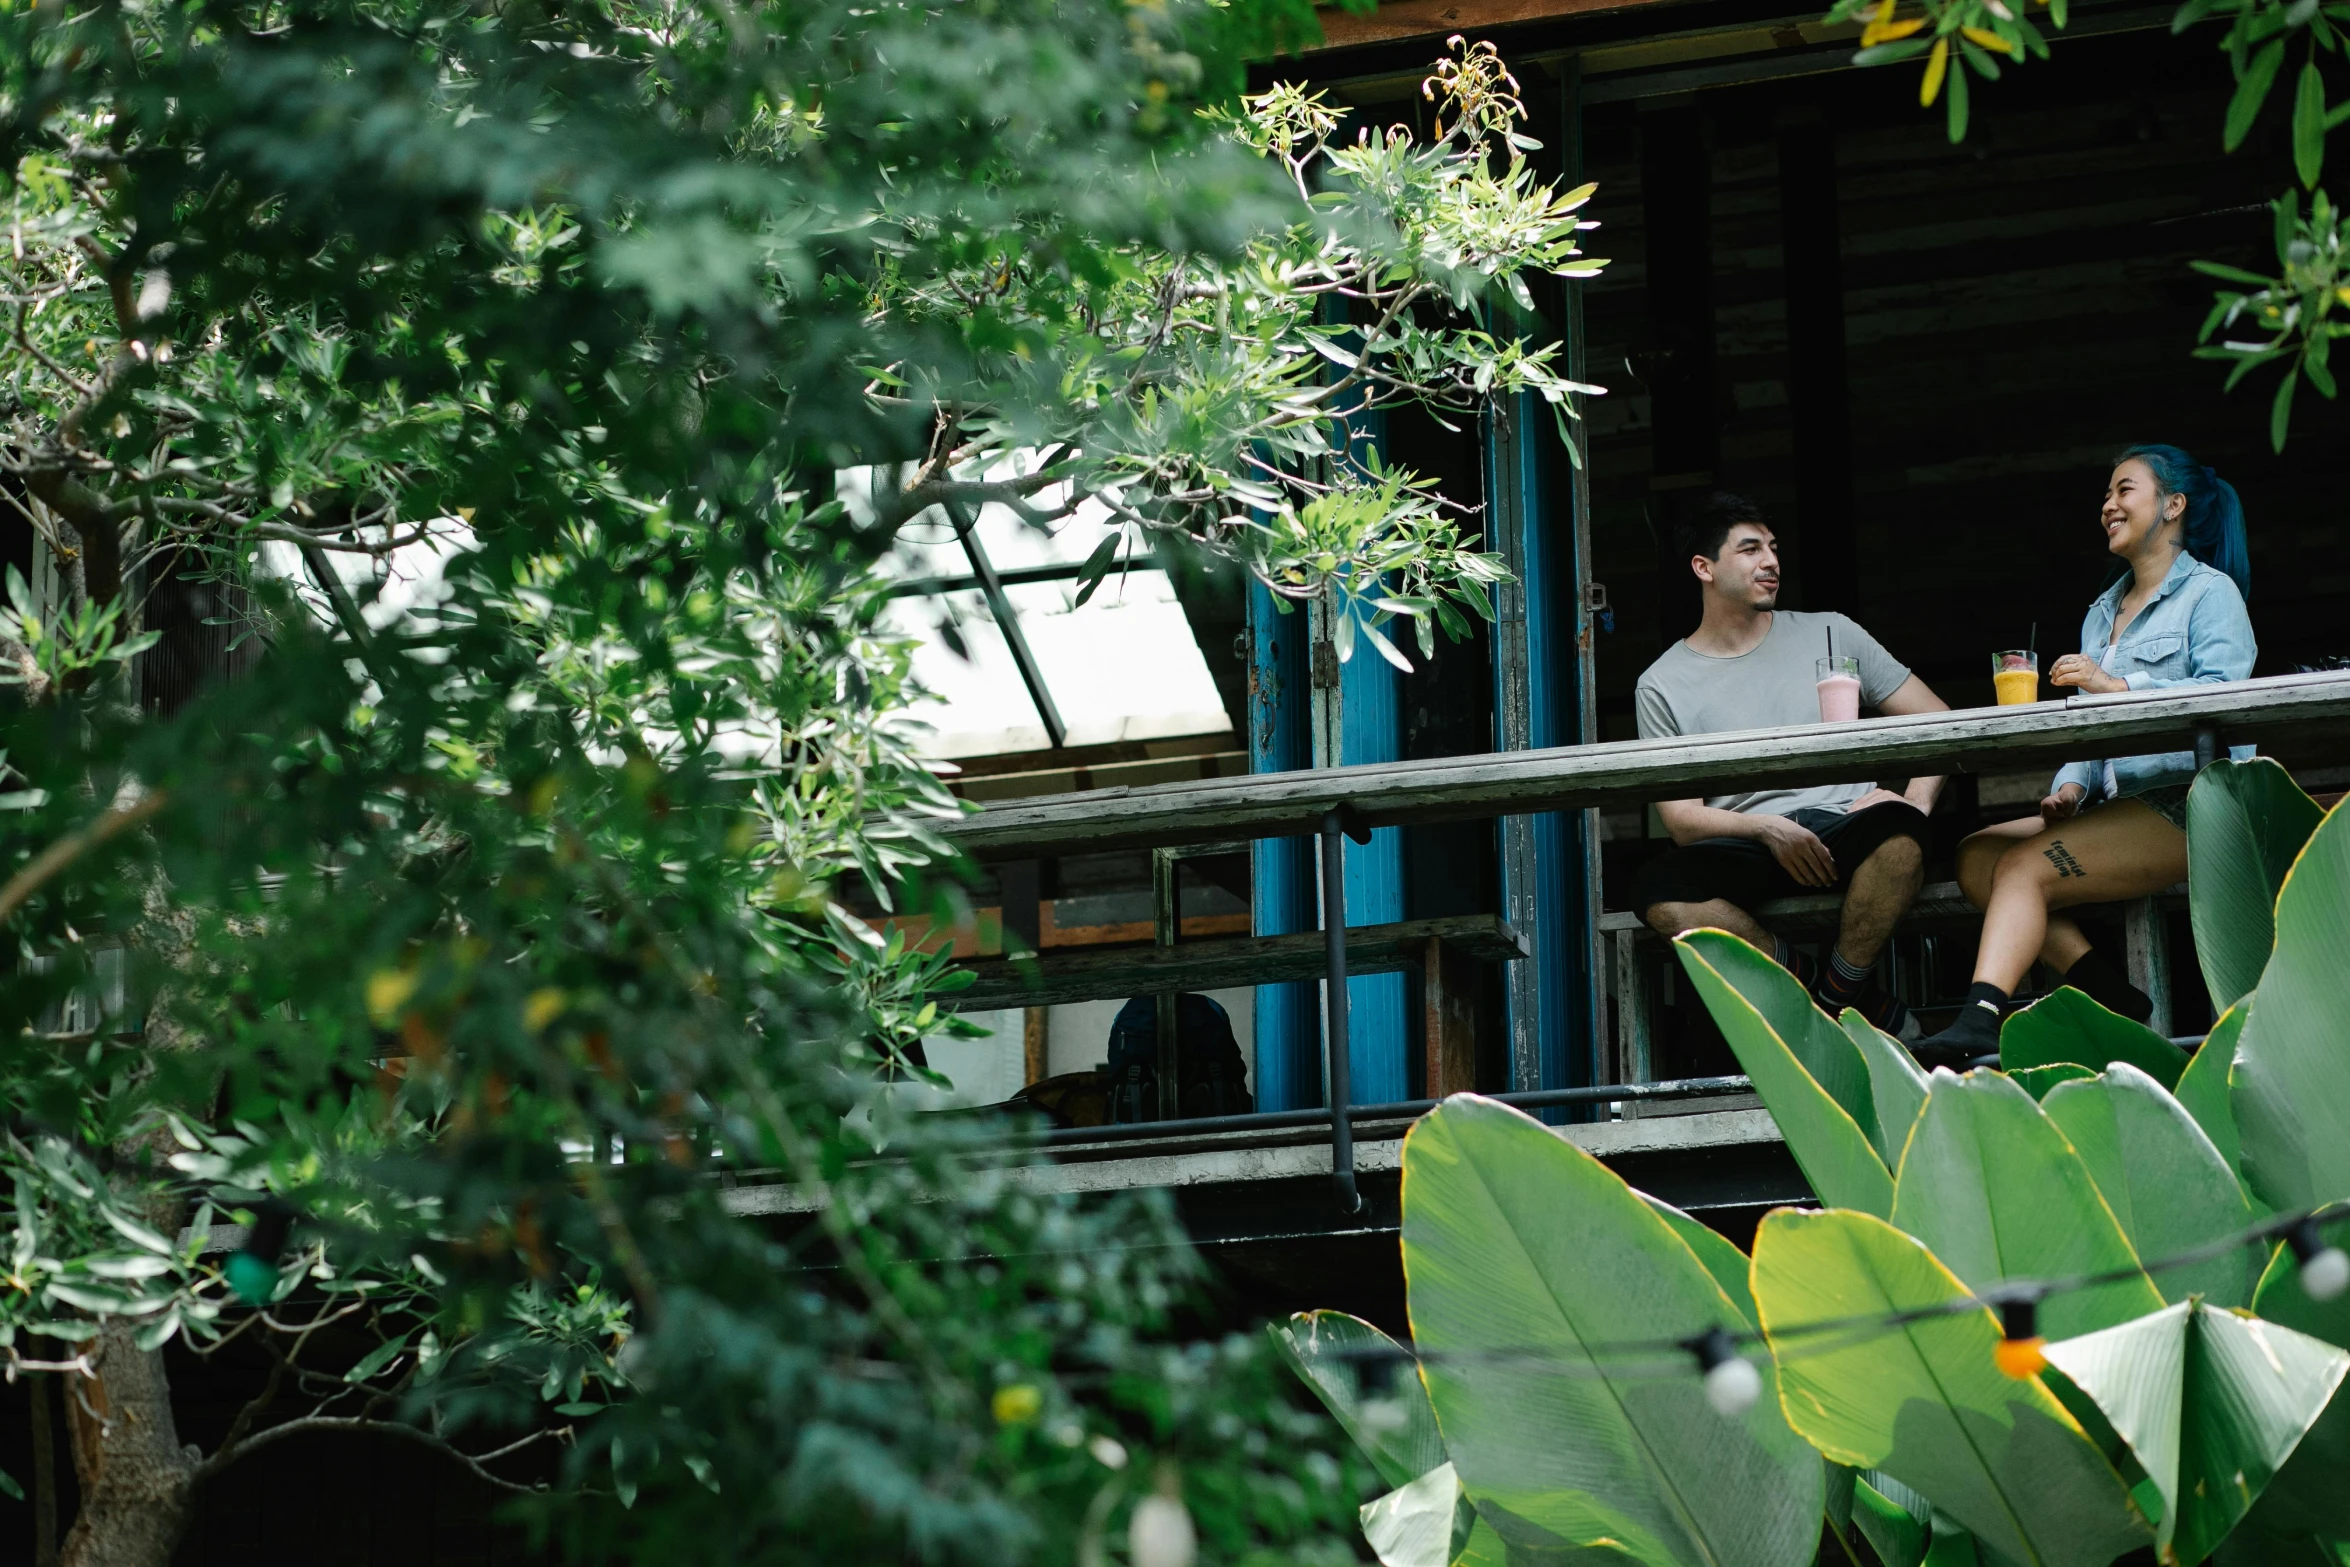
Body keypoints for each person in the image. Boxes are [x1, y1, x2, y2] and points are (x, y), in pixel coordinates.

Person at [1916, 445, 2256, 1065]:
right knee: (1976, 856)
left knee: (2020, 867)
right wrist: (2072, 783)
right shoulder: (2102, 612)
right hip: (2114, 804)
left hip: (2192, 804)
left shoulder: (2212, 594)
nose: (2108, 505)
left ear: (2173, 506)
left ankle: (1982, 1018)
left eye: (2124, 490)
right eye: (2107, 493)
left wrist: (2118, 685)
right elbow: (2090, 730)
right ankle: (2104, 987)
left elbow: (2223, 694)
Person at [1631, 492, 1951, 1038]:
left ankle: (1832, 998)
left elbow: (1938, 721)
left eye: (1774, 549)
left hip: (1847, 820)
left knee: (1903, 837)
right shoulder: (1661, 682)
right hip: (1748, 839)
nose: (1771, 561)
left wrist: (1912, 802)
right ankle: (1837, 995)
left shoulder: (1832, 631)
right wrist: (1766, 828)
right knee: (1657, 894)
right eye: (1751, 549)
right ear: (1703, 568)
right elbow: (1682, 820)